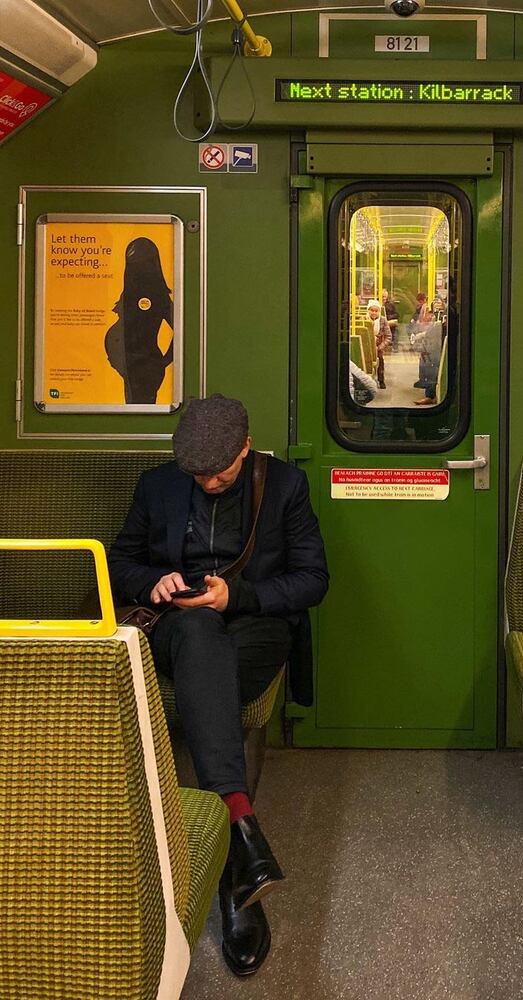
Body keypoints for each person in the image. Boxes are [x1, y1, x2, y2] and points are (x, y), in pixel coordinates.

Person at [108, 394, 328, 978]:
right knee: (200, 628)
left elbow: (312, 580)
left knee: (213, 645)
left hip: (255, 626)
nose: (208, 482)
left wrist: (241, 595)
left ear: (246, 449)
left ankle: (233, 845)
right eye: (197, 474)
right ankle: (242, 850)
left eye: (220, 473)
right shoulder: (157, 485)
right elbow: (119, 563)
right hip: (177, 629)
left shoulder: (283, 486)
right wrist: (155, 581)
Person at [104, 237, 174, 404]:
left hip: (145, 367)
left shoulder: (157, 295)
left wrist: (164, 361)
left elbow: (181, 330)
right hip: (132, 366)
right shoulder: (130, 291)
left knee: (140, 409)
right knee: (132, 408)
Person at [367, 298, 392, 390]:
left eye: (376, 311)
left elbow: (389, 337)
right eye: (371, 310)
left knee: (380, 360)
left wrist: (380, 347)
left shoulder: (383, 320)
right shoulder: (363, 319)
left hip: (378, 346)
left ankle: (381, 380)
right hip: (366, 345)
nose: (373, 313)